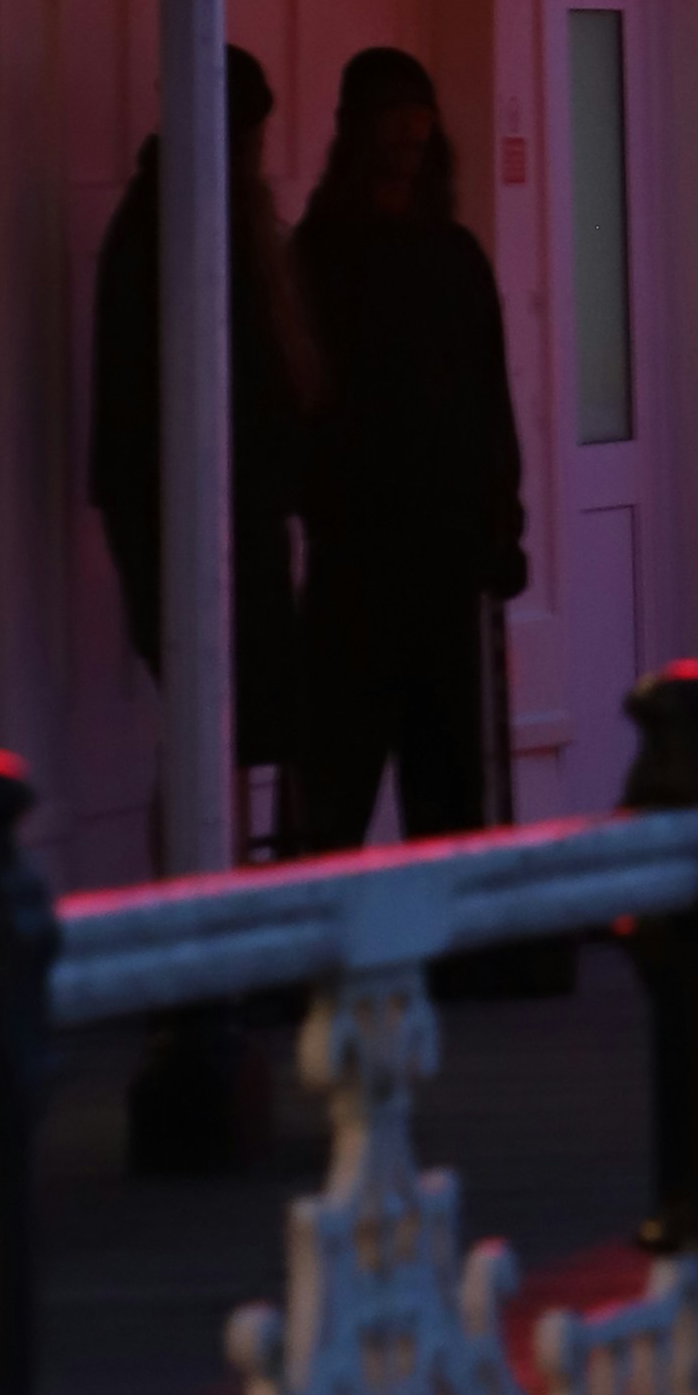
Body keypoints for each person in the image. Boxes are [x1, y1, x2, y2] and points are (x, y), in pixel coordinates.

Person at [291, 50, 530, 849]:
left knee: (449, 774)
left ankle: (457, 945)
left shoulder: (450, 256)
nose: (408, 132)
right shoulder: (324, 256)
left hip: (444, 551)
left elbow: (488, 399)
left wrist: (503, 517)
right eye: (393, 115)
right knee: (341, 774)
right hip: (361, 554)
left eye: (417, 113)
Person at [89, 46, 319, 818]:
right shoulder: (183, 225)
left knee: (232, 720)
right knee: (218, 722)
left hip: (215, 506)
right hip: (195, 509)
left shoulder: (186, 219)